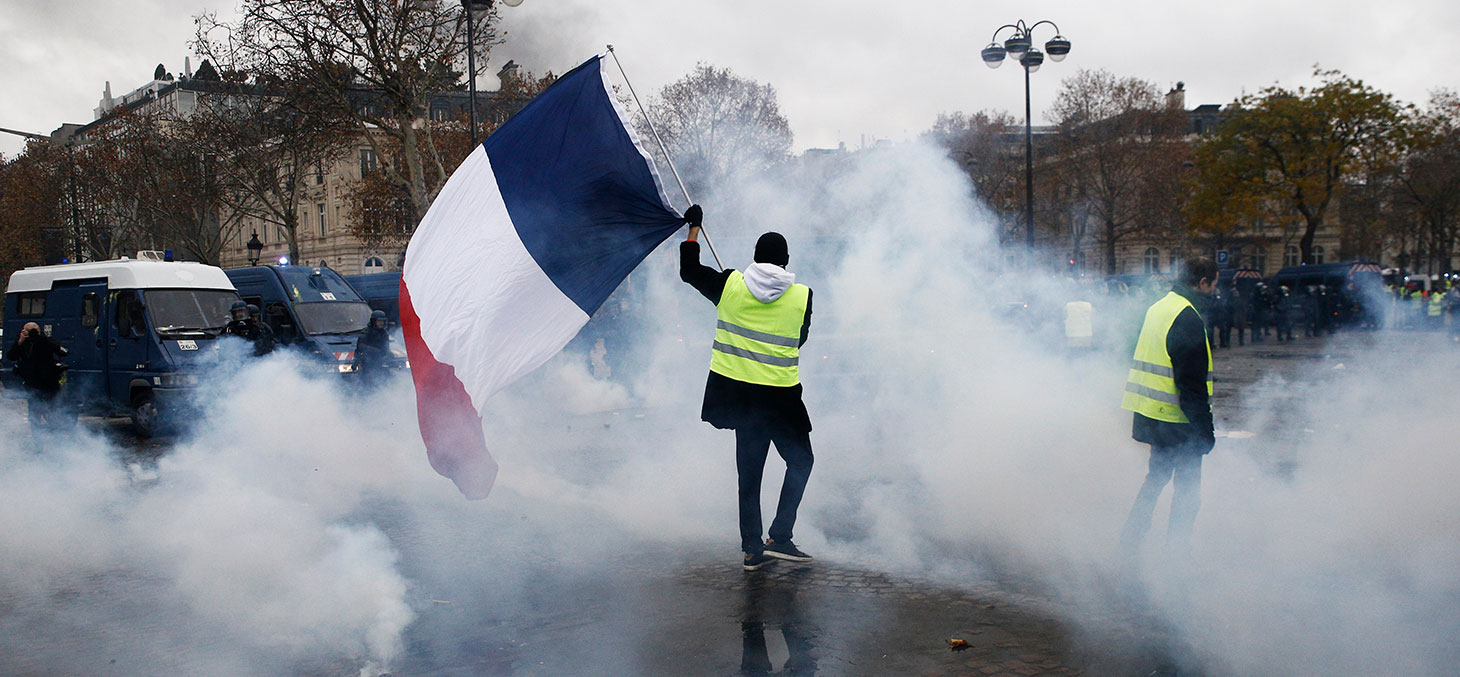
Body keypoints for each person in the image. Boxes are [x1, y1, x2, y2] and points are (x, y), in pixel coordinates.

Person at [679, 204, 816, 572]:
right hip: (782, 401)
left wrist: (694, 228)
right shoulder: (802, 296)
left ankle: (752, 550)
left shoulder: (729, 285)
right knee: (801, 462)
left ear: (754, 257)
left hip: (742, 401)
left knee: (749, 478)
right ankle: (781, 537)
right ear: (786, 262)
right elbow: (798, 340)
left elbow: (689, 271)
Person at [1119, 257, 1218, 561]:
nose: (1215, 291)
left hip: (1152, 414)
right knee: (1188, 492)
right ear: (1202, 282)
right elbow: (1191, 384)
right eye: (1213, 284)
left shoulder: (1159, 307)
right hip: (1179, 420)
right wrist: (1205, 432)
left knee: (1155, 480)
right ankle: (1177, 555)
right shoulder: (1187, 318)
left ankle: (1131, 541)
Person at [5, 322, 70, 433]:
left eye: (34, 331)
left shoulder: (46, 342)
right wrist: (19, 342)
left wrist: (42, 338)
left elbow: (63, 352)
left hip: (49, 383)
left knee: (53, 410)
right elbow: (10, 356)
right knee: (35, 413)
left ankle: (56, 437)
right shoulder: (22, 344)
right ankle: (38, 441)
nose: (32, 334)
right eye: (29, 331)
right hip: (32, 384)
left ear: (39, 331)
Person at [354, 309, 391, 385]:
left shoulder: (384, 333)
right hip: (367, 363)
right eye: (379, 321)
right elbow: (360, 347)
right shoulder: (366, 332)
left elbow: (386, 347)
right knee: (367, 384)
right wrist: (355, 363)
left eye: (382, 321)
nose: (381, 323)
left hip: (379, 363)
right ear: (374, 321)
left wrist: (388, 355)